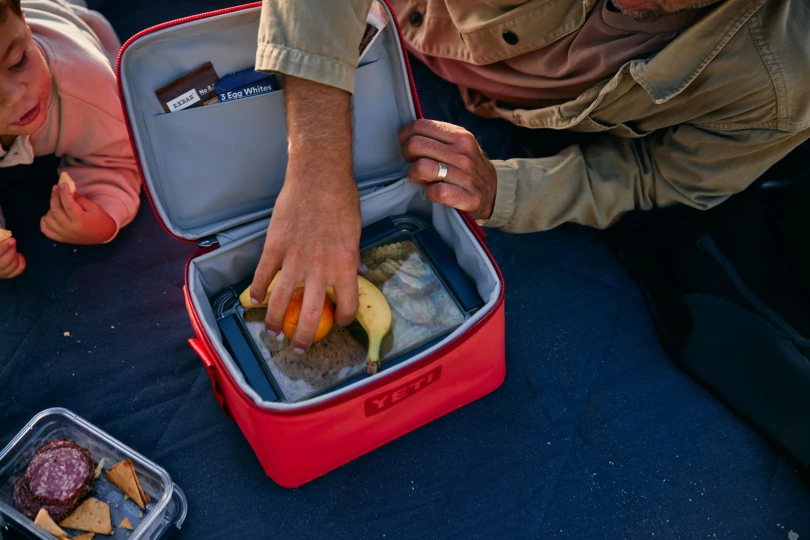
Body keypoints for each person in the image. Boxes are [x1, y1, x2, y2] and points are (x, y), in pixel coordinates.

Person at [249, 0, 810, 354]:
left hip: (510, 133)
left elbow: (657, 173)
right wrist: (319, 174)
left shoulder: (786, 81)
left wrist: (508, 189)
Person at [0, 0, 140, 279]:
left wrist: (103, 216)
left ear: (25, 23)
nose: (15, 95)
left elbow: (117, 159)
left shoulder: (86, 88)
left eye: (18, 61)